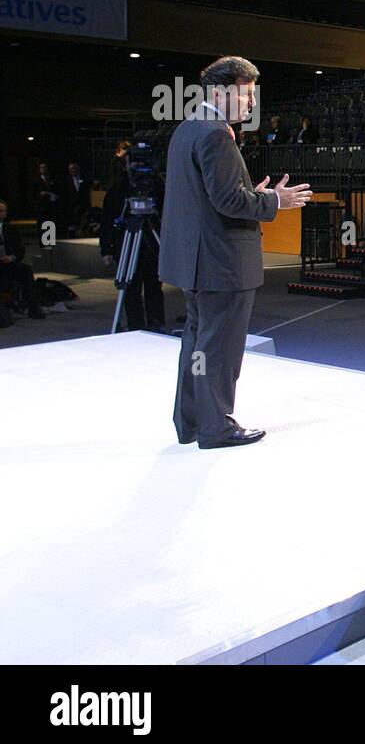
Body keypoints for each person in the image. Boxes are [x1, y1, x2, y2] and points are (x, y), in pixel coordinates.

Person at [159, 56, 311, 450]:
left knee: (197, 345)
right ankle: (217, 429)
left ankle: (191, 423)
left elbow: (207, 197)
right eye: (245, 94)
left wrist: (254, 195)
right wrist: (274, 201)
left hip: (196, 262)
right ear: (222, 92)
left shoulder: (188, 128)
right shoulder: (214, 134)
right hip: (220, 262)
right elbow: (227, 201)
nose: (249, 104)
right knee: (220, 350)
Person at [99, 157, 164, 331]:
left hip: (152, 244)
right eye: (134, 162)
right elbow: (107, 220)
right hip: (127, 244)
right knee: (130, 289)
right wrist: (106, 249)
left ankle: (156, 326)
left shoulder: (157, 186)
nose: (138, 166)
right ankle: (136, 328)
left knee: (154, 287)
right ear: (126, 165)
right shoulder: (118, 189)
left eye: (142, 162)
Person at [0, 199, 45, 320]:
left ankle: (33, 308)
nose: (0, 213)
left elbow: (20, 251)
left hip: (8, 263)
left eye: (2, 211)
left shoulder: (11, 229)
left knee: (25, 270)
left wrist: (11, 258)